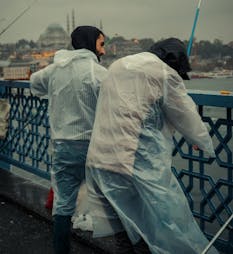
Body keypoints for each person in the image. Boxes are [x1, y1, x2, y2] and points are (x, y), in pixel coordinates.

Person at [86, 38, 218, 254]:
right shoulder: (165, 73)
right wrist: (203, 142)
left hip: (100, 159)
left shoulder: (119, 64)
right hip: (134, 164)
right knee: (161, 228)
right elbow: (186, 116)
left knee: (125, 234)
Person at [30, 25, 107, 254]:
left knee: (63, 205)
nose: (103, 51)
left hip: (62, 147)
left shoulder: (56, 68)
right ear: (91, 43)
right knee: (112, 200)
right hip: (92, 147)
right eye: (101, 44)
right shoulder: (97, 72)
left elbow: (34, 81)